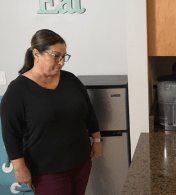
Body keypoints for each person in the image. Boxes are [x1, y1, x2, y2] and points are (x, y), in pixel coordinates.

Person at [0, 29, 102, 195]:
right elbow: (11, 133)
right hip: (46, 170)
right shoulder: (17, 90)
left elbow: (88, 112)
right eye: (56, 56)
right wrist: (19, 168)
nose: (61, 62)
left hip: (81, 162)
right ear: (36, 54)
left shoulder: (71, 80)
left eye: (64, 56)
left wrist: (97, 140)